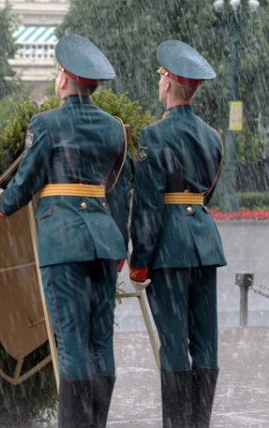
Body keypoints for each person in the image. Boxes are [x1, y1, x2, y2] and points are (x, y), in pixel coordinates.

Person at [0, 35, 130, 427]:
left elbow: (26, 180)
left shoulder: (47, 123)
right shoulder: (114, 129)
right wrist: (121, 244)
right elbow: (120, 189)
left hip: (64, 239)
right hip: (104, 241)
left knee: (70, 343)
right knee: (101, 341)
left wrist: (2, 202)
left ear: (66, 79)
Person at [129, 40, 225, 428]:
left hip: (169, 249)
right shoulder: (213, 136)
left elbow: (149, 207)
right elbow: (205, 194)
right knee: (205, 344)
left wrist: (139, 262)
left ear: (168, 84)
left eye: (160, 77)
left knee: (173, 345)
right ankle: (198, 423)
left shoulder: (152, 137)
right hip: (204, 243)